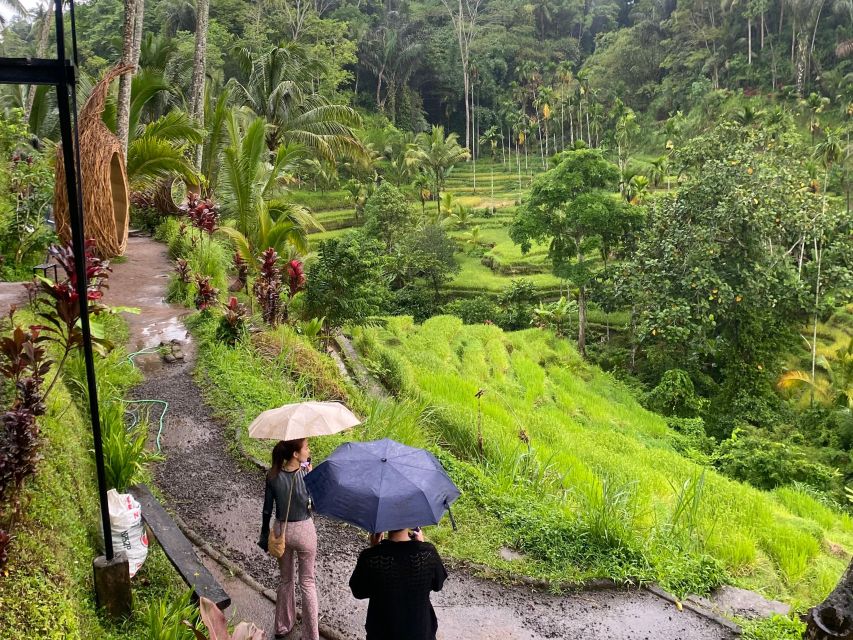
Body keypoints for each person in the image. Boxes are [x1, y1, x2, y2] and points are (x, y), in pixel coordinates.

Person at [259, 438, 318, 640]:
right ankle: (311, 635)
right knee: (307, 582)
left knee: (286, 580)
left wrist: (264, 534)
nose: (309, 450)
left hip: (280, 531)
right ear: (296, 454)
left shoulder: (273, 476)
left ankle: (283, 626)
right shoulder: (306, 475)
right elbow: (314, 506)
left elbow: (267, 510)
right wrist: (312, 477)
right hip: (304, 531)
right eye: (306, 447)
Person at [349, 527, 448, 640]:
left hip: (382, 633)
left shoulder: (371, 556)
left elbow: (358, 591)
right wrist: (421, 546)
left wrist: (374, 549)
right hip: (421, 632)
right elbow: (438, 584)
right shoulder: (428, 553)